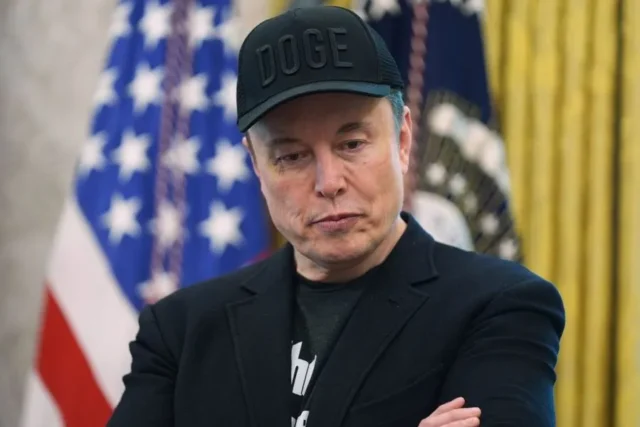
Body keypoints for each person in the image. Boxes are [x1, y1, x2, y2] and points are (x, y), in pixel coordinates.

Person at [107, 5, 565, 427]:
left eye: (352, 144)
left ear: (403, 140)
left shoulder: (500, 306)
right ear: (256, 164)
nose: (329, 182)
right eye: (291, 156)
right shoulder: (180, 331)